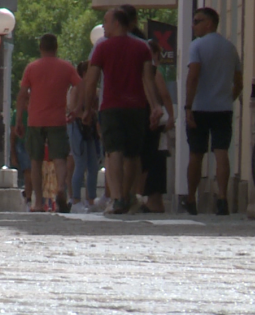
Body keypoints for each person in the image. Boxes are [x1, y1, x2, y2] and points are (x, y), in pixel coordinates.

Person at [83, 7, 162, 214]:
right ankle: (126, 196)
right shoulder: (142, 47)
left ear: (117, 23)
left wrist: (86, 108)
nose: (104, 27)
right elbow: (148, 80)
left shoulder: (102, 48)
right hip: (136, 108)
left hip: (111, 107)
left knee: (114, 151)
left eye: (106, 22)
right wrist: (154, 107)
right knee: (133, 154)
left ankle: (117, 197)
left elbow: (91, 81)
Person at [183, 7, 243, 215]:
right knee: (221, 152)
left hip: (200, 107)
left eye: (197, 21)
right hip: (223, 108)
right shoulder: (230, 47)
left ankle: (191, 199)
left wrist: (188, 106)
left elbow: (193, 76)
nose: (194, 25)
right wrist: (229, 97)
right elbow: (239, 81)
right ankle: (223, 198)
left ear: (209, 23)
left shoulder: (197, 46)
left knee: (196, 154)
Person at [15, 33, 82, 213]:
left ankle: (38, 203)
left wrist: (19, 119)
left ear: (41, 48)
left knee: (35, 161)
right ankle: (61, 188)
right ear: (56, 47)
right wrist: (78, 109)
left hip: (35, 119)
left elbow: (22, 94)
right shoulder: (66, 67)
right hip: (58, 119)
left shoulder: (31, 68)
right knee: (60, 158)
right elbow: (81, 86)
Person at [140, 40, 176, 213]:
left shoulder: (153, 71)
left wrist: (170, 115)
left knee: (152, 159)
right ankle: (154, 200)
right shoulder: (154, 70)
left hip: (152, 118)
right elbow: (165, 96)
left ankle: (153, 200)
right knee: (156, 158)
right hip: (155, 118)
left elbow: (164, 95)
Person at [67, 61, 100, 213]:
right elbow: (71, 109)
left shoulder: (93, 90)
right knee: (80, 163)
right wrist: (83, 116)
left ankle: (91, 199)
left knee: (93, 165)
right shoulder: (76, 89)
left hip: (90, 129)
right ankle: (75, 199)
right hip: (77, 127)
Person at [10, 111, 32, 207]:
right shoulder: (17, 114)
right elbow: (13, 135)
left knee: (32, 172)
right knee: (28, 172)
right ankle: (28, 197)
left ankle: (28, 195)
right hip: (23, 145)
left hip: (34, 143)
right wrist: (13, 154)